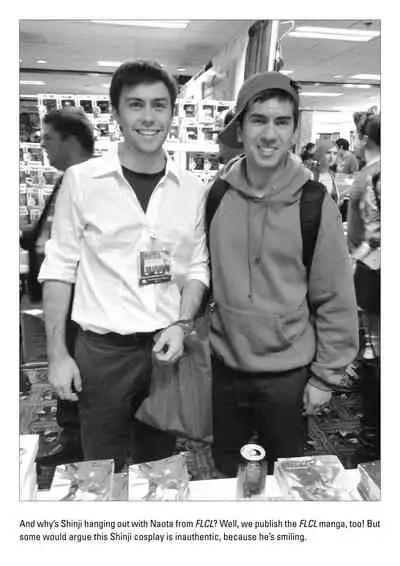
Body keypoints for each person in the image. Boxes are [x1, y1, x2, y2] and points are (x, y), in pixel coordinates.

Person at [38, 60, 209, 468]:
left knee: (158, 462)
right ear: (116, 113)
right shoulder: (83, 181)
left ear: (172, 113)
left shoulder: (192, 189)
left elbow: (197, 267)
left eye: (159, 105)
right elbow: (59, 269)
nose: (149, 117)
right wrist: (57, 355)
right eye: (136, 104)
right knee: (102, 464)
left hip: (165, 348)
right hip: (103, 352)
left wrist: (182, 323)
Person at [207, 71, 358, 476]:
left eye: (282, 122)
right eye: (258, 120)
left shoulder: (314, 203)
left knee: (287, 476)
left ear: (293, 131)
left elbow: (335, 296)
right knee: (228, 472)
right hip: (225, 368)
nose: (269, 134)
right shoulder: (217, 195)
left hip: (288, 376)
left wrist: (325, 378)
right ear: (240, 127)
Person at [21, 107, 95, 466]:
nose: (44, 146)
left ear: (71, 140)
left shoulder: (89, 184)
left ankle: (78, 441)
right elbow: (48, 237)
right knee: (63, 363)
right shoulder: (68, 180)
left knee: (76, 370)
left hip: (79, 301)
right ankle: (73, 434)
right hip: (58, 300)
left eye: (49, 138)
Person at [347, 113, 380, 460]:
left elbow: (356, 234)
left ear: (364, 138)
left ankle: (372, 439)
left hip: (374, 269)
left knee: (374, 349)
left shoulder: (367, 177)